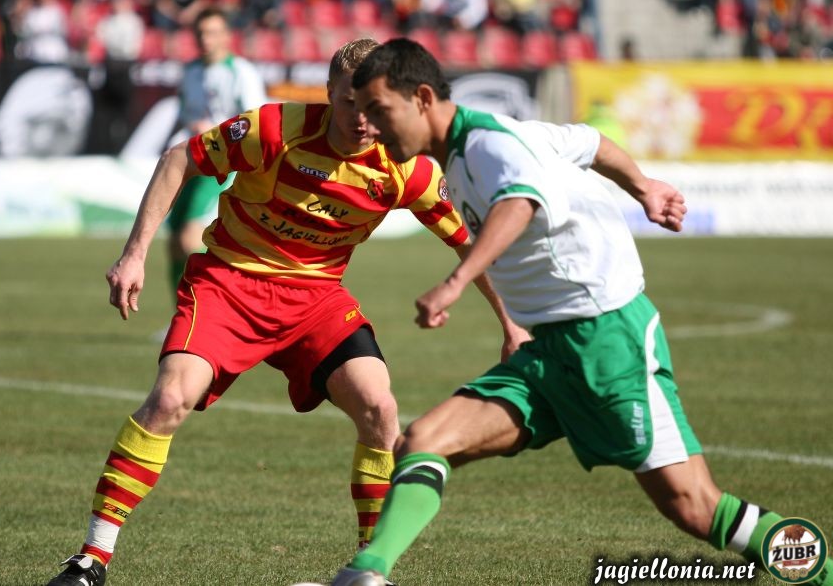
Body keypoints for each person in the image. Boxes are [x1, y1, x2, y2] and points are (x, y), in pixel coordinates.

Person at [329, 38, 832, 586]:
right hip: (548, 352)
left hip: (606, 341)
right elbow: (590, 142)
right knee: (423, 441)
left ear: (422, 98)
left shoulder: (489, 144)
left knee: (695, 507)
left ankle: (823, 572)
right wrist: (644, 187)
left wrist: (456, 282)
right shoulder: (491, 139)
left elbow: (519, 201)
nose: (370, 126)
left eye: (380, 110)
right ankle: (366, 574)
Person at [45, 38, 528, 586]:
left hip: (316, 299)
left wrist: (510, 323)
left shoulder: (405, 167)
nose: (361, 119)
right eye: (348, 103)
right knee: (170, 399)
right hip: (229, 283)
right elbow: (179, 158)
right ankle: (91, 559)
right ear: (328, 94)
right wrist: (134, 254)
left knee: (379, 408)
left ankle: (371, 571)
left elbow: (470, 243)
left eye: (372, 106)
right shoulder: (274, 129)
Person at [163, 6, 267, 302]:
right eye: (200, 33)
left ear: (226, 36)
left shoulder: (242, 72)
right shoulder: (190, 72)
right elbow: (185, 112)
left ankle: (206, 310)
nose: (205, 39)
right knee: (174, 243)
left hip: (222, 164)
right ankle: (181, 315)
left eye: (212, 32)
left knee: (189, 238)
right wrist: (193, 124)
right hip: (192, 161)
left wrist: (217, 130)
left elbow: (256, 121)